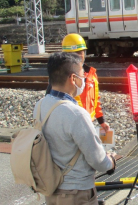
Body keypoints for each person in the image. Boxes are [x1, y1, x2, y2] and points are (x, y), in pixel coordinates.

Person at [39, 52, 118, 205]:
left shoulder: (41, 105)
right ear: (73, 79)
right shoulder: (76, 114)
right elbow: (98, 160)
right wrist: (111, 161)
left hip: (51, 188)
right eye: (82, 76)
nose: (84, 80)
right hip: (76, 192)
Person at [46, 33, 110, 132]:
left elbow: (95, 99)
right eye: (73, 54)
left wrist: (101, 121)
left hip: (88, 121)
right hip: (71, 123)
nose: (78, 56)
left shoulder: (91, 74)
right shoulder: (60, 77)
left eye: (80, 52)